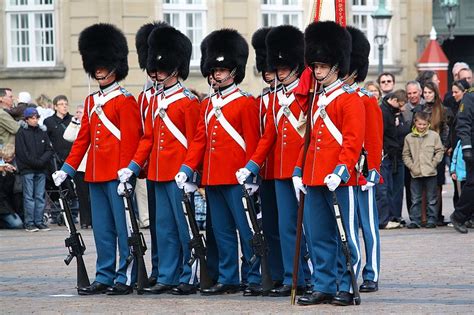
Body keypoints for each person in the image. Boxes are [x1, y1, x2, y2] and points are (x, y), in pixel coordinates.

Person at [52, 23, 142, 295]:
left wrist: (127, 173)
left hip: (117, 175)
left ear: (115, 66)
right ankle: (104, 274)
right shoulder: (92, 102)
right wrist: (67, 169)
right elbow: (83, 140)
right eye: (96, 65)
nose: (99, 70)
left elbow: (130, 141)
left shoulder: (125, 100)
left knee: (122, 228)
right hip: (94, 174)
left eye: (104, 64)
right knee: (102, 231)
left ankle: (125, 276)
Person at [175, 28, 262, 296]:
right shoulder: (207, 104)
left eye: (222, 70)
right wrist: (187, 169)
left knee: (246, 230)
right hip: (213, 179)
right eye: (213, 70)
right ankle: (228, 277)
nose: (216, 74)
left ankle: (254, 275)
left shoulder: (246, 103)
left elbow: (253, 140)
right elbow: (199, 141)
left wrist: (251, 175)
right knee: (222, 233)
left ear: (233, 71)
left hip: (237, 178)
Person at [118, 24, 201, 295]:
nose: (159, 75)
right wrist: (132, 167)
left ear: (176, 69)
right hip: (156, 172)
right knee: (163, 229)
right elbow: (148, 139)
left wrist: (189, 172)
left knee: (183, 228)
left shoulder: (188, 101)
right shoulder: (155, 101)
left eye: (164, 70)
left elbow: (196, 140)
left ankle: (188, 276)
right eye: (157, 70)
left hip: (178, 174)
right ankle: (167, 274)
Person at [236, 25, 311, 297]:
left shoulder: (306, 95)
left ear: (294, 67)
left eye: (282, 68)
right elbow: (268, 137)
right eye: (276, 68)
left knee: (294, 228)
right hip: (276, 171)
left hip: (296, 170)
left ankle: (297, 278)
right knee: (276, 228)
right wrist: (252, 166)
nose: (278, 73)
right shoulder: (275, 97)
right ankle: (281, 276)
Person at [294, 21, 364, 306]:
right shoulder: (315, 99)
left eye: (322, 66)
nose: (318, 71)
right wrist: (299, 170)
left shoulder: (349, 99)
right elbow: (308, 140)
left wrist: (342, 169)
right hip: (313, 176)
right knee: (319, 236)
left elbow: (352, 140)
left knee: (345, 235)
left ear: (336, 66)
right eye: (315, 66)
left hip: (337, 178)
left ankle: (347, 284)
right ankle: (324, 284)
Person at [344, 26, 383, 293]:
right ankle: (351, 270)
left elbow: (374, 138)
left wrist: (373, 170)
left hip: (361, 172)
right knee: (347, 228)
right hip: (344, 173)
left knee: (367, 227)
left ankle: (372, 273)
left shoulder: (366, 99)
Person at [248, 26, 284, 290]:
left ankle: (297, 276)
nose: (269, 73)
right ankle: (273, 273)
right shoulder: (262, 100)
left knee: (289, 228)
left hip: (286, 170)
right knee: (269, 227)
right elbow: (257, 137)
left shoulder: (288, 98)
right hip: (266, 171)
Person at [402, 111, 444, 228]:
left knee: (432, 198)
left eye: (424, 124)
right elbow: (406, 154)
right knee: (415, 198)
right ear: (415, 123)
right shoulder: (409, 138)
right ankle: (415, 220)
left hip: (430, 172)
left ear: (428, 124)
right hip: (415, 173)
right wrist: (411, 166)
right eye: (419, 124)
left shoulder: (434, 136)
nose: (422, 127)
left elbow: (439, 151)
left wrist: (433, 163)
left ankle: (432, 219)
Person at [415, 82, 449, 225]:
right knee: (421, 185)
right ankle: (423, 217)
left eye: (430, 92)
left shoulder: (442, 110)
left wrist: (442, 149)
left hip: (437, 152)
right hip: (421, 152)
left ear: (435, 93)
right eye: (425, 92)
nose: (427, 95)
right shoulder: (419, 109)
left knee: (436, 185)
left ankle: (435, 216)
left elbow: (446, 132)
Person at [15, 107, 53, 232]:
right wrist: (37, 162)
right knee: (29, 197)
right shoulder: (21, 133)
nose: (35, 120)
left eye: (36, 117)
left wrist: (41, 162)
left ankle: (39, 221)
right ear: (26, 119)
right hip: (28, 169)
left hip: (40, 169)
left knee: (39, 196)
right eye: (32, 118)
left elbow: (49, 149)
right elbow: (22, 153)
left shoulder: (42, 132)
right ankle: (30, 222)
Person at [377, 89, 408, 229]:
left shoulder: (389, 111)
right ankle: (383, 220)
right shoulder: (384, 112)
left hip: (390, 153)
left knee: (389, 188)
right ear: (394, 100)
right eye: (400, 105)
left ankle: (388, 217)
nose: (401, 109)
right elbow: (383, 133)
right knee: (383, 189)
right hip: (385, 153)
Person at [63, 105, 92, 229]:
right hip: (80, 167)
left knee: (93, 196)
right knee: (82, 195)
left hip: (90, 166)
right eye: (77, 112)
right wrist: (74, 123)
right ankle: (85, 221)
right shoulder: (76, 126)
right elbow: (67, 136)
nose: (78, 114)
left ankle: (94, 220)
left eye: (80, 112)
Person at [450, 86, 474, 234]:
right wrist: (466, 147)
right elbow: (463, 122)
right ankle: (458, 216)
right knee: (472, 184)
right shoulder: (470, 96)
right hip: (472, 146)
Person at [44, 95, 73, 162]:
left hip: (72, 157)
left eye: (66, 104)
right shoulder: (48, 121)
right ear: (55, 107)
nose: (64, 106)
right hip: (56, 159)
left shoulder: (73, 119)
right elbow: (46, 140)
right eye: (61, 104)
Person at [0, 143, 22, 229]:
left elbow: (7, 191)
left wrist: (8, 174)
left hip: (5, 205)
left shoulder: (11, 169)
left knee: (18, 224)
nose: (6, 161)